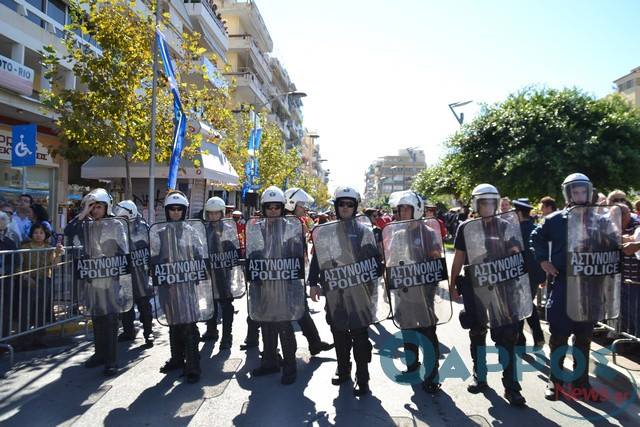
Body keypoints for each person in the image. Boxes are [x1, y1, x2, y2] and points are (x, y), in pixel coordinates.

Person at [531, 173, 619, 402]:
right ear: (568, 194)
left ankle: (582, 384)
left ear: (589, 192)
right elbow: (535, 237)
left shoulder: (601, 220)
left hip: (590, 286)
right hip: (563, 283)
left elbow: (614, 243)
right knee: (559, 335)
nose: (580, 196)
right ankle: (556, 381)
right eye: (576, 192)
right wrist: (543, 260)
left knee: (583, 338)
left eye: (583, 191)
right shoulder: (555, 219)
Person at [449, 184, 527, 407]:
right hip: (475, 287)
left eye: (491, 202)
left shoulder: (505, 226)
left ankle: (512, 387)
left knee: (506, 336)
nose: (487, 206)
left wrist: (514, 255)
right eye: (483, 202)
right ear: (476, 204)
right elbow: (459, 258)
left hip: (502, 288)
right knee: (477, 331)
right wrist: (453, 284)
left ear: (496, 202)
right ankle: (480, 376)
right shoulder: (466, 227)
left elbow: (516, 254)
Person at [308, 186, 379, 396]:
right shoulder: (326, 231)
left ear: (355, 207)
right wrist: (313, 282)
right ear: (336, 206)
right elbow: (317, 259)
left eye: (349, 204)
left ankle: (363, 377)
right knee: (339, 331)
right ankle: (344, 368)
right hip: (335, 292)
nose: (345, 207)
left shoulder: (365, 231)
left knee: (360, 335)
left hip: (359, 293)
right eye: (342, 204)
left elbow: (373, 261)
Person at [385, 190, 444, 393]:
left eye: (406, 208)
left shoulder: (427, 232)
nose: (402, 212)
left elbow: (436, 259)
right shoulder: (397, 232)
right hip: (404, 290)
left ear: (417, 209)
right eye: (400, 208)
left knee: (428, 331)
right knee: (407, 330)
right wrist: (388, 284)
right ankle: (412, 368)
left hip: (423, 291)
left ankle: (432, 373)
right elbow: (391, 259)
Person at [247, 186, 303, 385]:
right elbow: (252, 253)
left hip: (283, 287)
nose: (272, 211)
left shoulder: (291, 227)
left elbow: (297, 257)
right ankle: (269, 361)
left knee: (284, 326)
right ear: (263, 208)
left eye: (276, 207)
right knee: (266, 324)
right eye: (269, 207)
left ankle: (290, 366)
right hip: (263, 286)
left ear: (282, 208)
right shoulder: (255, 228)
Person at [152, 190, 209, 383]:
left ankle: (193, 365)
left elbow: (200, 255)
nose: (175, 212)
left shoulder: (192, 231)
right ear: (167, 211)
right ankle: (177, 359)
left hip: (187, 286)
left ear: (184, 211)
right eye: (172, 209)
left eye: (179, 209)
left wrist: (198, 270)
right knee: (173, 323)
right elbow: (154, 258)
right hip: (168, 286)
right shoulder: (159, 233)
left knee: (189, 324)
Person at [78, 188, 131, 376]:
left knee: (110, 319)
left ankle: (111, 361)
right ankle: (99, 354)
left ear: (106, 207)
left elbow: (124, 250)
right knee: (97, 317)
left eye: (98, 206)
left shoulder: (115, 224)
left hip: (111, 278)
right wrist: (84, 213)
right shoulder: (87, 224)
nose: (95, 211)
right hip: (93, 278)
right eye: (92, 207)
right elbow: (68, 231)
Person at [283, 187, 334, 356]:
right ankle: (269, 351)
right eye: (301, 204)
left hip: (295, 274)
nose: (305, 208)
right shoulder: (282, 224)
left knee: (302, 310)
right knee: (275, 315)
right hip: (281, 275)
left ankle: (315, 343)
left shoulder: (298, 223)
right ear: (291, 204)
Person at [201, 197, 241, 350]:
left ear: (221, 213)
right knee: (210, 302)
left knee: (226, 304)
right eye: (210, 213)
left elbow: (234, 250)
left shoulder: (229, 228)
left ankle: (227, 336)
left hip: (224, 273)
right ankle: (211, 330)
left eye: (215, 213)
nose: (212, 216)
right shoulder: (203, 228)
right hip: (209, 271)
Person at [113, 200, 154, 347]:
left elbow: (151, 249)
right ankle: (128, 331)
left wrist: (151, 269)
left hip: (140, 273)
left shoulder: (143, 228)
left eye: (122, 217)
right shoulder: (118, 229)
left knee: (143, 303)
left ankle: (148, 333)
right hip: (124, 273)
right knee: (126, 303)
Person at [512, 198, 545, 348]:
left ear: (519, 212)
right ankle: (536, 336)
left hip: (519, 274)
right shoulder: (535, 228)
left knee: (519, 307)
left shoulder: (515, 231)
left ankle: (520, 340)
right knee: (525, 305)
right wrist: (542, 276)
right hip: (534, 275)